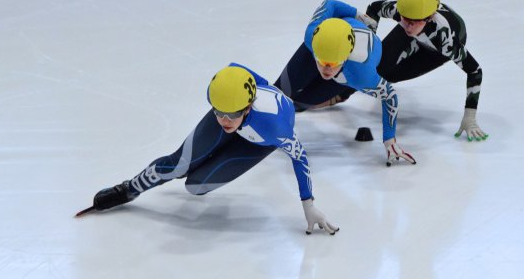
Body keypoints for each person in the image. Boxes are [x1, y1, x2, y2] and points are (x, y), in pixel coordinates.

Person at [79, 63, 338, 235]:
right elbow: (238, 70)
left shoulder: (274, 126)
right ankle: (129, 189)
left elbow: (299, 156)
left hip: (259, 140)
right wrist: (227, 111)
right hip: (247, 115)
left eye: (231, 115)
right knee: (179, 164)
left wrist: (308, 205)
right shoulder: (228, 96)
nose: (224, 121)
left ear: (247, 107)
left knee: (196, 187)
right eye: (218, 112)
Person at [299, 0, 489, 142]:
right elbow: (374, 7)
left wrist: (469, 117)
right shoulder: (403, 14)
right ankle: (341, 92)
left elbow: (475, 71)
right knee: (379, 64)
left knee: (390, 76)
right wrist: (369, 42)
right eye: (403, 19)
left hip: (434, 51)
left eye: (412, 22)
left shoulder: (445, 40)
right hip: (421, 32)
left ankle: (341, 95)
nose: (405, 24)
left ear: (429, 18)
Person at [274, 0, 416, 166]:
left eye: (333, 64)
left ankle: (310, 97)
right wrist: (356, 13)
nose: (326, 69)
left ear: (345, 58)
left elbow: (390, 96)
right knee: (279, 92)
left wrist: (389, 140)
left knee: (302, 101)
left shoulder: (360, 73)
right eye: (321, 61)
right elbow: (329, 4)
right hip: (329, 47)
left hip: (348, 70)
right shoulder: (312, 36)